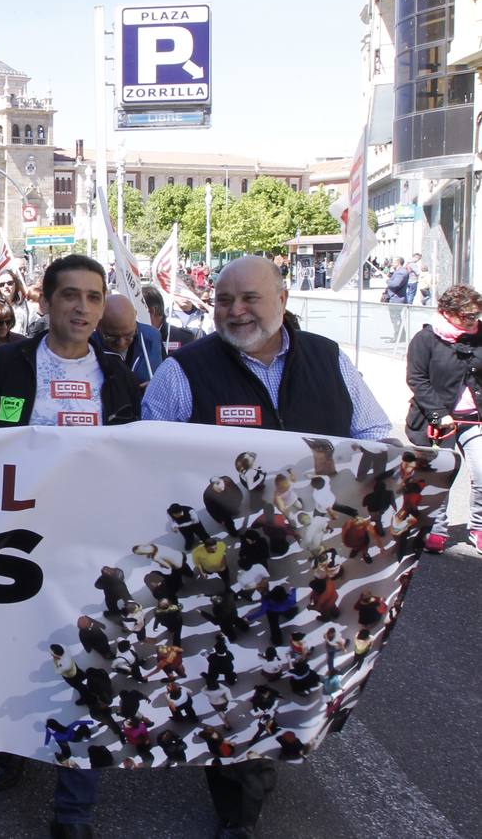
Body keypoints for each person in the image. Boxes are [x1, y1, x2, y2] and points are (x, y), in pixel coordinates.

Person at [140, 254, 390, 839]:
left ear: (282, 296)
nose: (235, 311)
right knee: (234, 683)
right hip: (222, 570)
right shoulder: (186, 371)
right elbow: (148, 457)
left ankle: (262, 761)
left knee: (289, 675)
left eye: (250, 298)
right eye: (224, 300)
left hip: (309, 562)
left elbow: (377, 436)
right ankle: (238, 807)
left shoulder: (330, 360)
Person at [0, 255, 143, 839]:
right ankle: (14, 746)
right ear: (46, 301)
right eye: (71, 296)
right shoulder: (10, 363)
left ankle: (73, 809)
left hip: (90, 549)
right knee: (20, 654)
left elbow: (138, 456)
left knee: (89, 668)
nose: (82, 308)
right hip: (13, 542)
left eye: (93, 297)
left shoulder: (114, 374)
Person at [405, 283, 482, 551]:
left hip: (474, 418)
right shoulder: (425, 340)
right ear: (447, 312)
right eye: (468, 316)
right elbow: (417, 379)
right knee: (440, 476)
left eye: (476, 315)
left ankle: (479, 527)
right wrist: (440, 415)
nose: (474, 321)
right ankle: (436, 528)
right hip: (436, 421)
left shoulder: (479, 336)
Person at [97, 295, 164, 386]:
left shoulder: (152, 337)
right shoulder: (88, 346)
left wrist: (158, 385)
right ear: (97, 326)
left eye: (129, 335)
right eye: (112, 337)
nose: (121, 343)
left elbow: (167, 375)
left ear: (135, 319)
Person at [0, 268, 33, 333]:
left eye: (9, 283)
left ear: (15, 284)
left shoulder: (26, 306)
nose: (6, 286)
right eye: (2, 284)